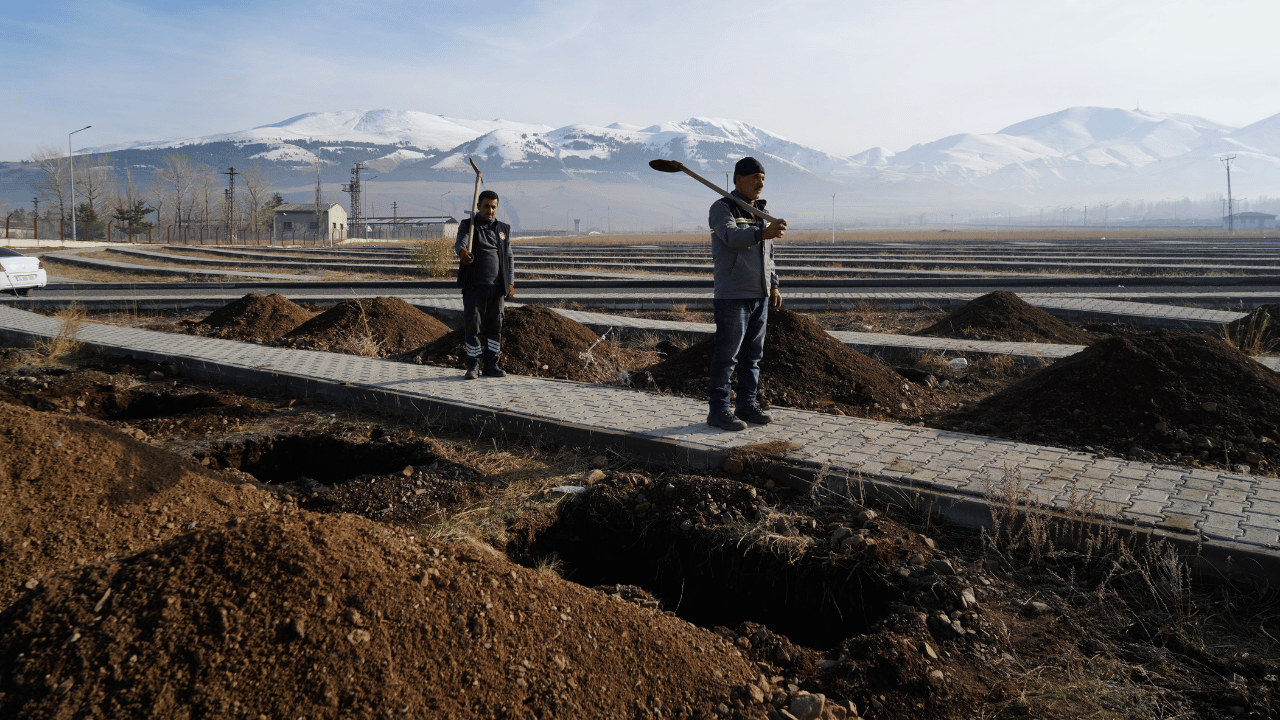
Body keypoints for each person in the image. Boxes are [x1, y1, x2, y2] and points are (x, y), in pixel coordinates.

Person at [706, 156, 785, 431]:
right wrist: (761, 233)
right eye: (755, 177)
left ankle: (747, 405)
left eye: (762, 178)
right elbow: (729, 236)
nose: (760, 183)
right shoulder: (722, 208)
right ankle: (718, 410)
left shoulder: (760, 213)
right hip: (732, 295)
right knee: (727, 356)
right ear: (738, 179)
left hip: (759, 295)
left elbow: (768, 254)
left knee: (752, 356)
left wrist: (773, 284)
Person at [455, 189, 515, 380]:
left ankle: (491, 364)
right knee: (473, 327)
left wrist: (511, 282)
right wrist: (463, 253)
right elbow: (460, 243)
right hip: (475, 287)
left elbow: (509, 256)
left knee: (495, 328)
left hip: (497, 289)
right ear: (478, 206)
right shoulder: (469, 225)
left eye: (494, 207)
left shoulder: (503, 229)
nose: (490, 210)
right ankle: (473, 365)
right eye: (487, 206)